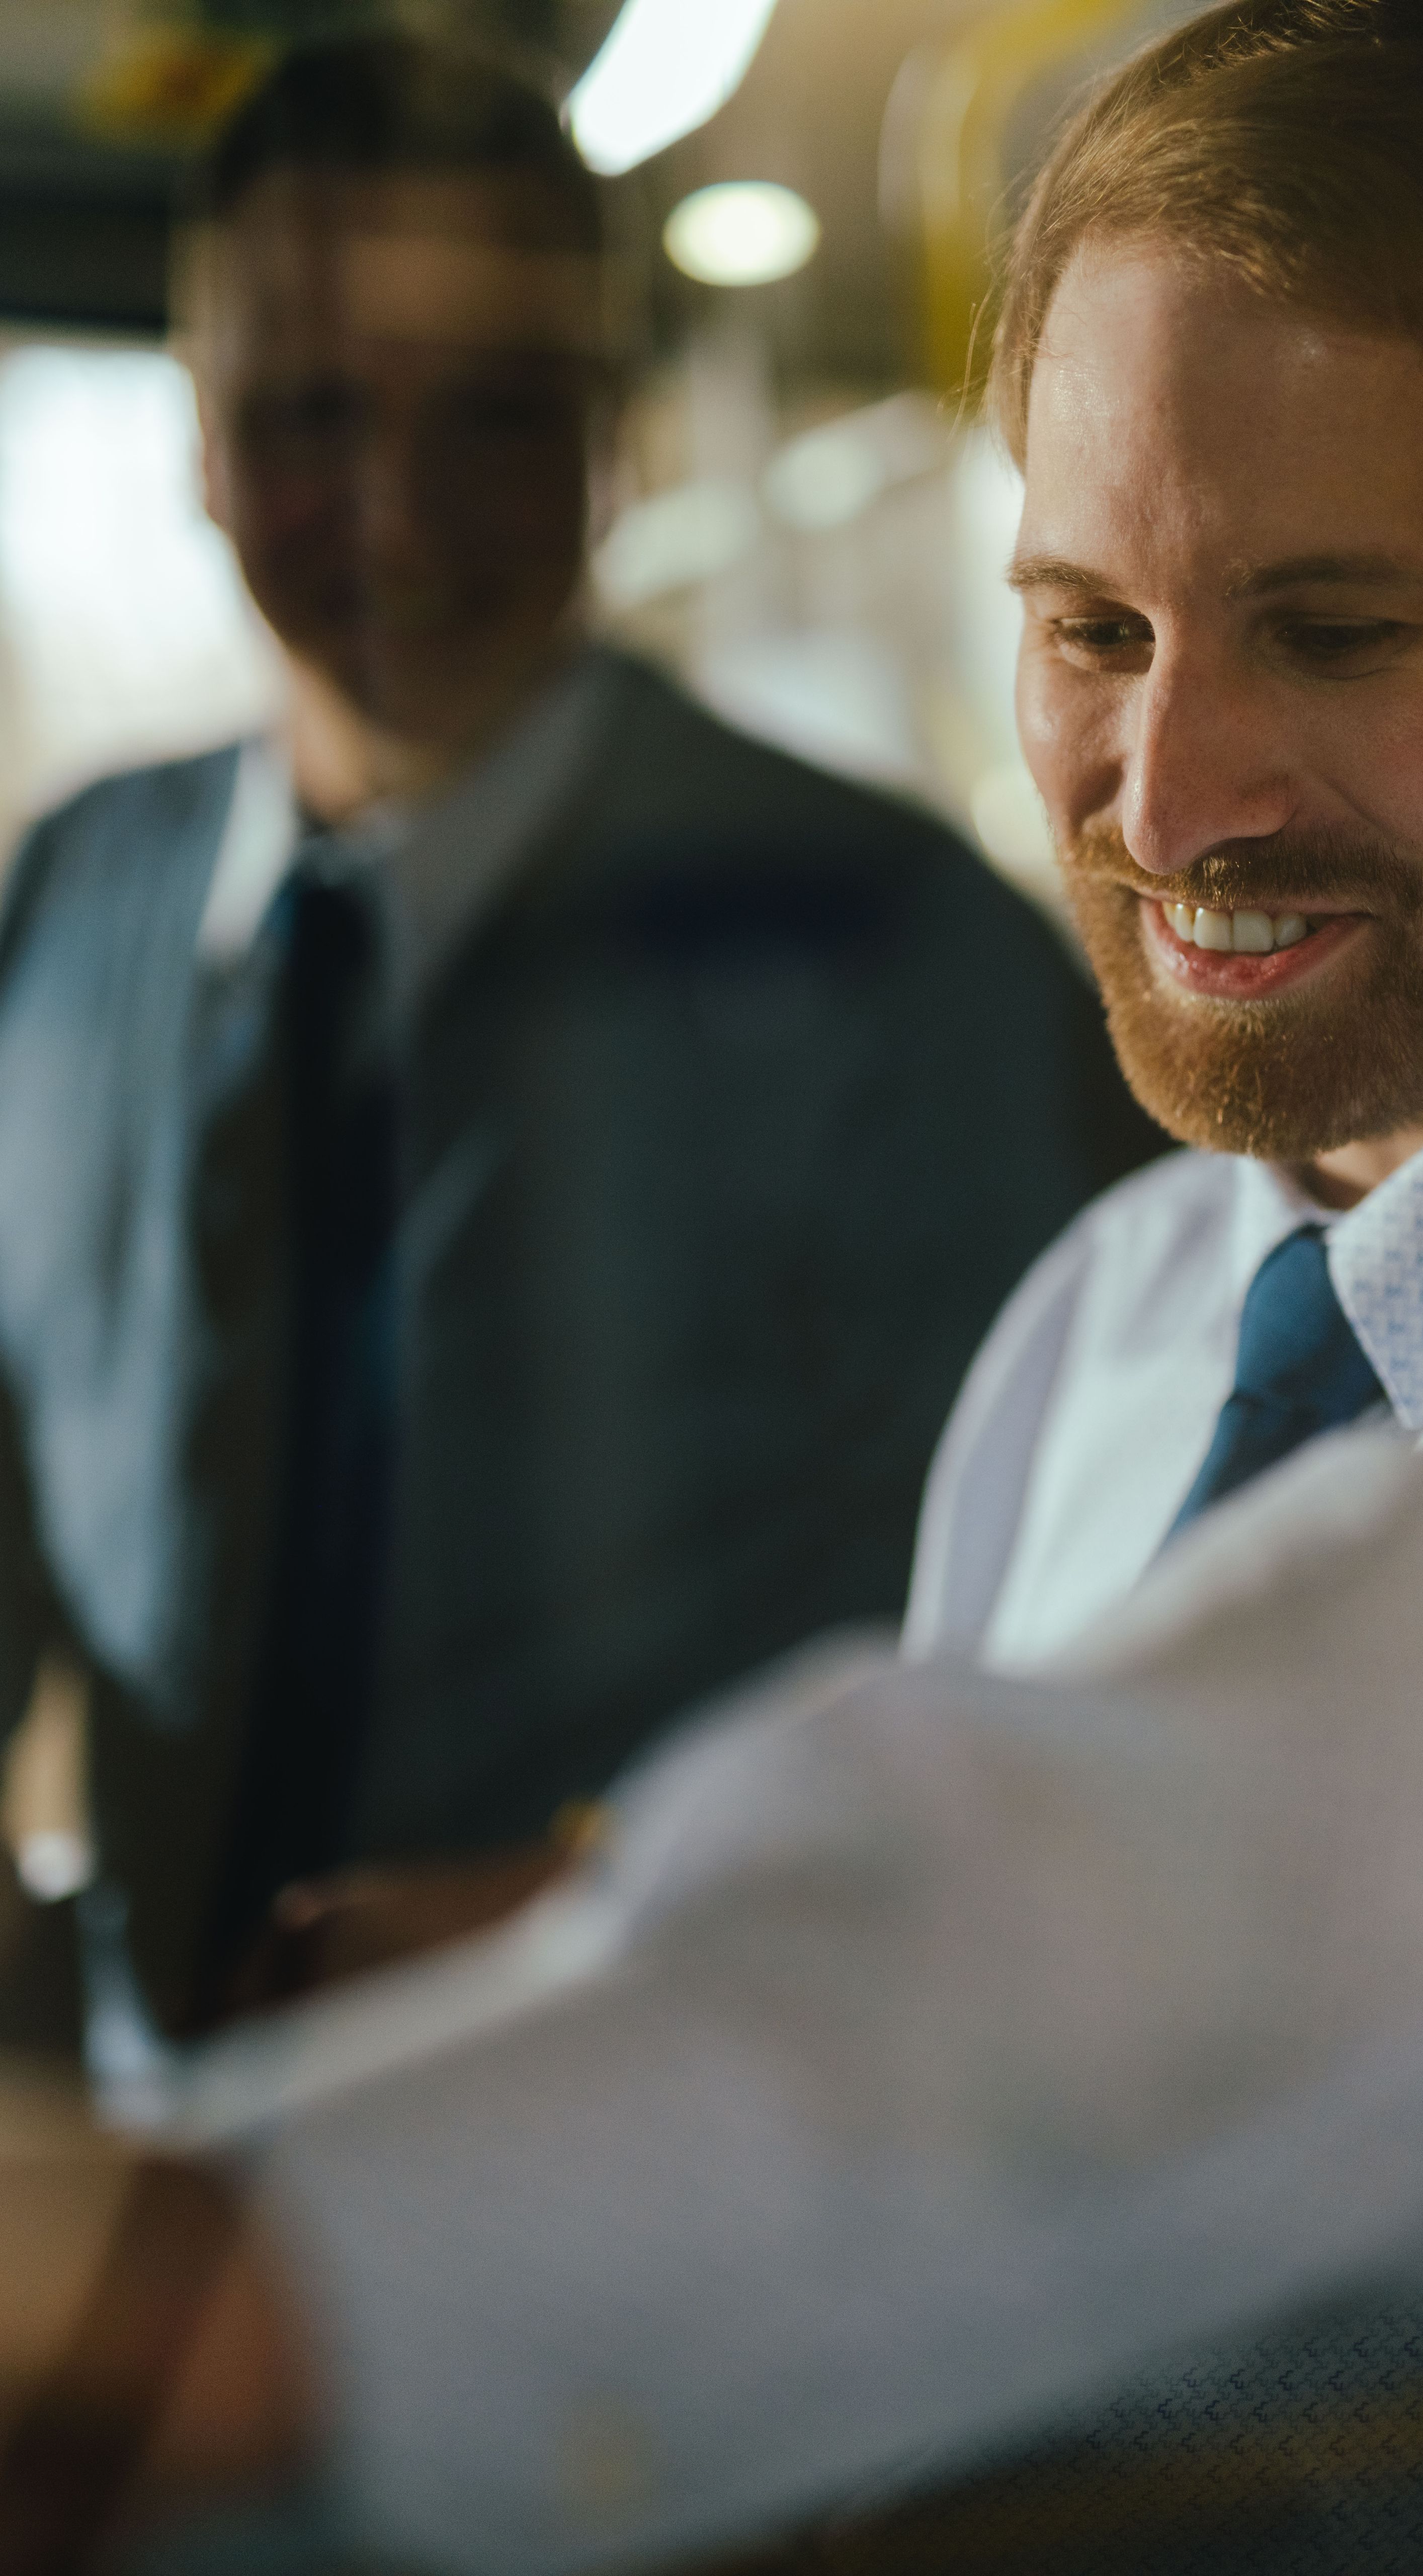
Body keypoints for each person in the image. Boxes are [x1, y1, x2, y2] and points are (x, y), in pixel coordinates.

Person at [4, 0, 1423, 2568]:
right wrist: (618, 1913)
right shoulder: (1116, 1315)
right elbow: (1038, 1841)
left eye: (1333, 632)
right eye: (1095, 629)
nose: (1176, 798)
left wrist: (279, 2270)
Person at [0, 37, 1149, 2048]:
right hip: (151, 2172)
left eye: (499, 418)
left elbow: (1080, 1655)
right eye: (307, 413)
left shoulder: (905, 962)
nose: (395, 510)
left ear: (612, 436)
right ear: (195, 431)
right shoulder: (75, 898)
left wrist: (599, 1894)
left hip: (659, 2155)